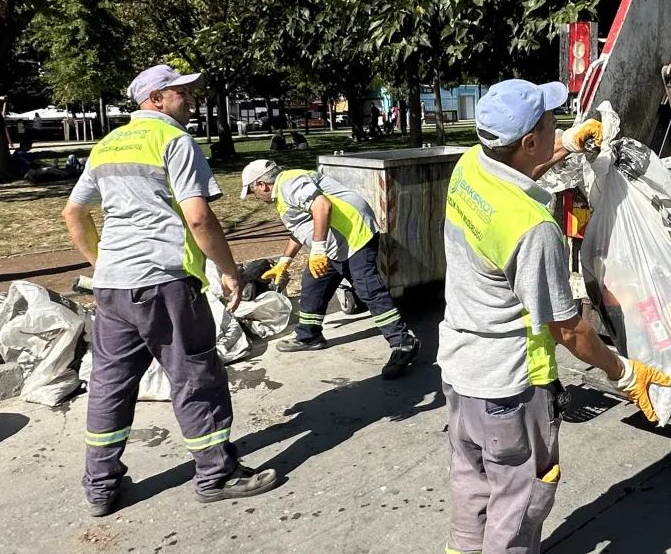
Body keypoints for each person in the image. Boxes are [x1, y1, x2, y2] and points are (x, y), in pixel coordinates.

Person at [432, 78, 671, 554]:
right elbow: (570, 331)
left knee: (472, 483)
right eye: (549, 122)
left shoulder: (469, 167)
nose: (555, 125)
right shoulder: (531, 229)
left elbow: (519, 155)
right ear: (529, 139)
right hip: (510, 389)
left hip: (460, 373)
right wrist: (624, 371)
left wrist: (567, 141)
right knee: (519, 503)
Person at [62, 64, 279, 516]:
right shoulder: (175, 141)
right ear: (156, 99)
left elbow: (73, 214)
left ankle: (100, 488)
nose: (191, 98)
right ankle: (216, 474)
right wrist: (229, 270)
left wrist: (102, 265)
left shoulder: (106, 146)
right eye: (182, 92)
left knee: (109, 386)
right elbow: (198, 217)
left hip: (113, 288)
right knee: (195, 375)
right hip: (164, 283)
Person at [240, 158, 420, 378]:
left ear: (261, 185)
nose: (255, 198)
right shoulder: (286, 190)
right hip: (335, 243)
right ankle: (309, 335)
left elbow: (321, 206)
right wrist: (284, 262)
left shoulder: (288, 184)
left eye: (252, 192)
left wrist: (317, 250)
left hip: (355, 237)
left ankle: (403, 343)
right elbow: (301, 228)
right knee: (313, 282)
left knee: (369, 290)